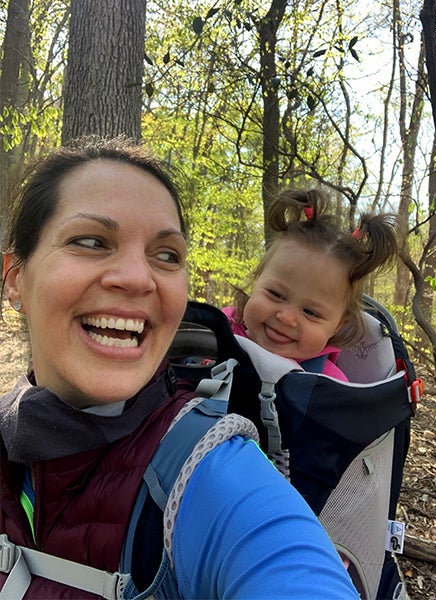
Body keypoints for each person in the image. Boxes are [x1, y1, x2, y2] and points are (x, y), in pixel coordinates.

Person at [0, 137, 359, 599]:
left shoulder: (207, 469)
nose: (135, 277)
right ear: (15, 279)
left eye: (166, 255)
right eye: (91, 241)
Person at [222, 189, 398, 381]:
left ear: (338, 326)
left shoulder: (328, 388)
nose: (286, 318)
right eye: (276, 294)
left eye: (311, 312)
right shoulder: (217, 331)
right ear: (257, 281)